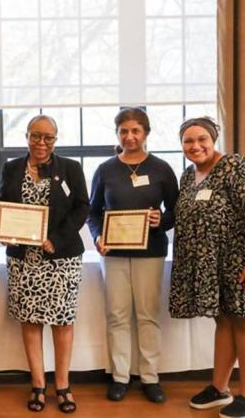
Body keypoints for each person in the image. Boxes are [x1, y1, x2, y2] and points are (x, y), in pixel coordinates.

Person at [169, 117, 245, 418]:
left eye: (202, 139)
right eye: (188, 141)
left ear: (214, 139)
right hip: (211, 265)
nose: (195, 146)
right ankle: (219, 388)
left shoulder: (237, 168)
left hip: (242, 262)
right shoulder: (188, 176)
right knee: (223, 322)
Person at [87, 107, 178, 403]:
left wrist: (160, 221)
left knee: (148, 315)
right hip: (113, 253)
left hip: (151, 251)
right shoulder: (105, 169)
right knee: (117, 316)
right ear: (117, 134)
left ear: (146, 134)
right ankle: (120, 376)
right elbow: (93, 211)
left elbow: (176, 212)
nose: (129, 136)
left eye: (135, 131)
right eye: (124, 131)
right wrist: (98, 236)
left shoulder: (162, 168)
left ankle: (150, 377)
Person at [0, 114, 89, 414]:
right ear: (26, 136)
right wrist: (5, 231)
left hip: (60, 258)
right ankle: (38, 384)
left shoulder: (70, 168)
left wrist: (57, 239)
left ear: (55, 139)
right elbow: (4, 205)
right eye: (35, 135)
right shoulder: (11, 168)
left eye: (47, 137)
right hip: (24, 259)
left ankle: (62, 385)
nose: (41, 142)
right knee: (31, 321)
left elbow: (82, 208)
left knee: (62, 322)